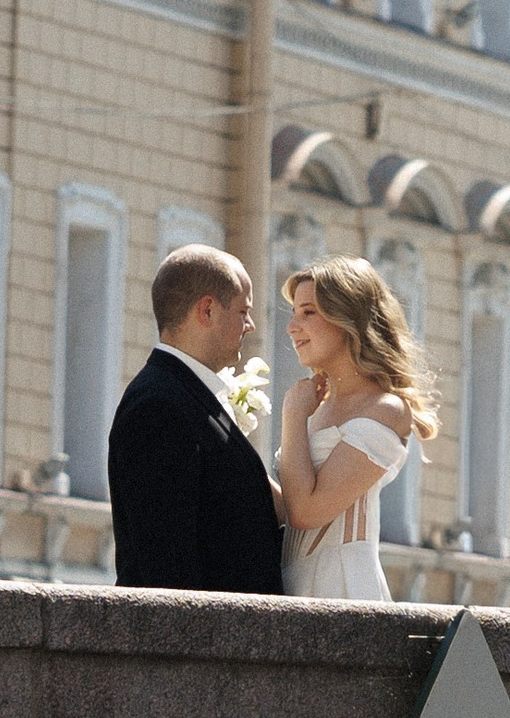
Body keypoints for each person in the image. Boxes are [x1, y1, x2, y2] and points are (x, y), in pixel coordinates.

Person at [108, 246, 285, 595]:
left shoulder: (185, 394)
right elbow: (167, 566)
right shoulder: (158, 406)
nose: (250, 326)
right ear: (207, 310)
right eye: (243, 311)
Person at [272, 258, 439, 603]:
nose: (291, 327)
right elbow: (288, 507)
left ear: (347, 318)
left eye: (308, 312)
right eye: (293, 313)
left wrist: (293, 416)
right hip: (291, 583)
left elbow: (306, 512)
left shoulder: (385, 409)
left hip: (342, 587)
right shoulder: (317, 406)